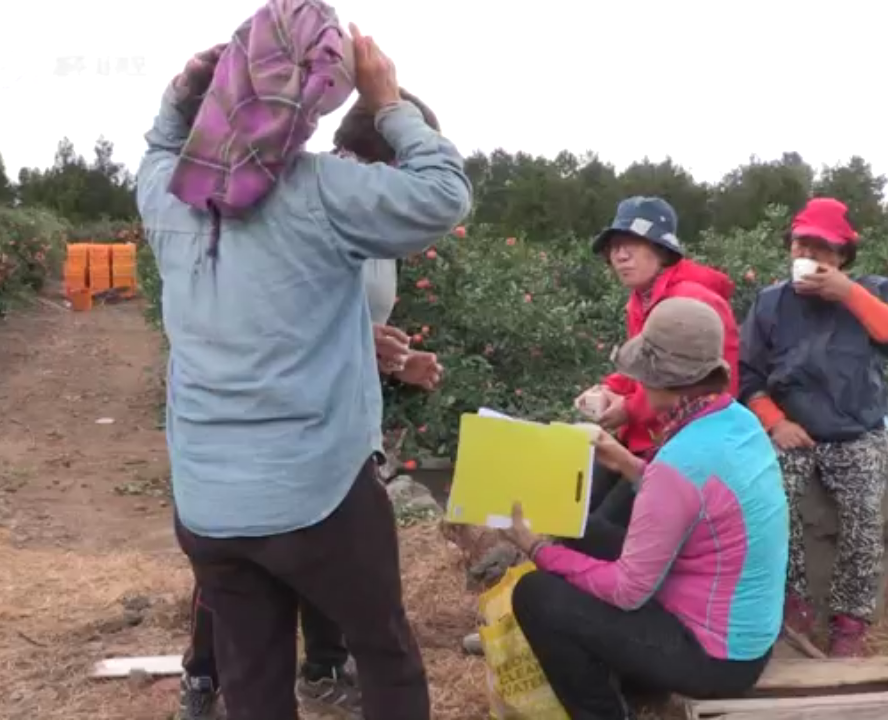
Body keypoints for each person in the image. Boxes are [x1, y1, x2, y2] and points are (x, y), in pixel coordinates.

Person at [137, 3, 472, 718]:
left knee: (252, 673)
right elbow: (445, 194)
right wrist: (387, 104)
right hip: (315, 493)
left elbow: (163, 145)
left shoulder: (168, 197)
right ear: (314, 98)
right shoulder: (322, 190)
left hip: (208, 501)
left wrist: (178, 98)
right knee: (382, 652)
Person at [500, 297, 788, 720]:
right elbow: (692, 497)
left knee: (537, 593)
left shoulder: (680, 462)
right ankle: (625, 675)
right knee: (581, 531)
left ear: (660, 379)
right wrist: (619, 458)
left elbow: (628, 591)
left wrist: (537, 549)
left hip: (716, 657)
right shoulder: (736, 420)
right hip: (744, 631)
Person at [738, 197, 888, 657]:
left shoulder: (872, 291)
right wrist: (774, 421)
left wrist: (850, 295)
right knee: (770, 502)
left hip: (857, 429)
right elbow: (746, 373)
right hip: (793, 428)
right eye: (803, 245)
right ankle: (792, 602)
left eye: (824, 249)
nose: (811, 257)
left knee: (863, 515)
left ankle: (849, 621)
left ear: (842, 257)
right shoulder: (771, 302)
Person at [574, 196, 740, 528]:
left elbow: (704, 390)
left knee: (597, 532)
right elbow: (644, 368)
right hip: (643, 437)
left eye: (631, 245)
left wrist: (629, 408)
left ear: (662, 251)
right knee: (576, 509)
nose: (619, 256)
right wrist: (608, 388)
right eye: (614, 247)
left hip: (681, 451)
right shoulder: (641, 298)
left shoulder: (691, 303)